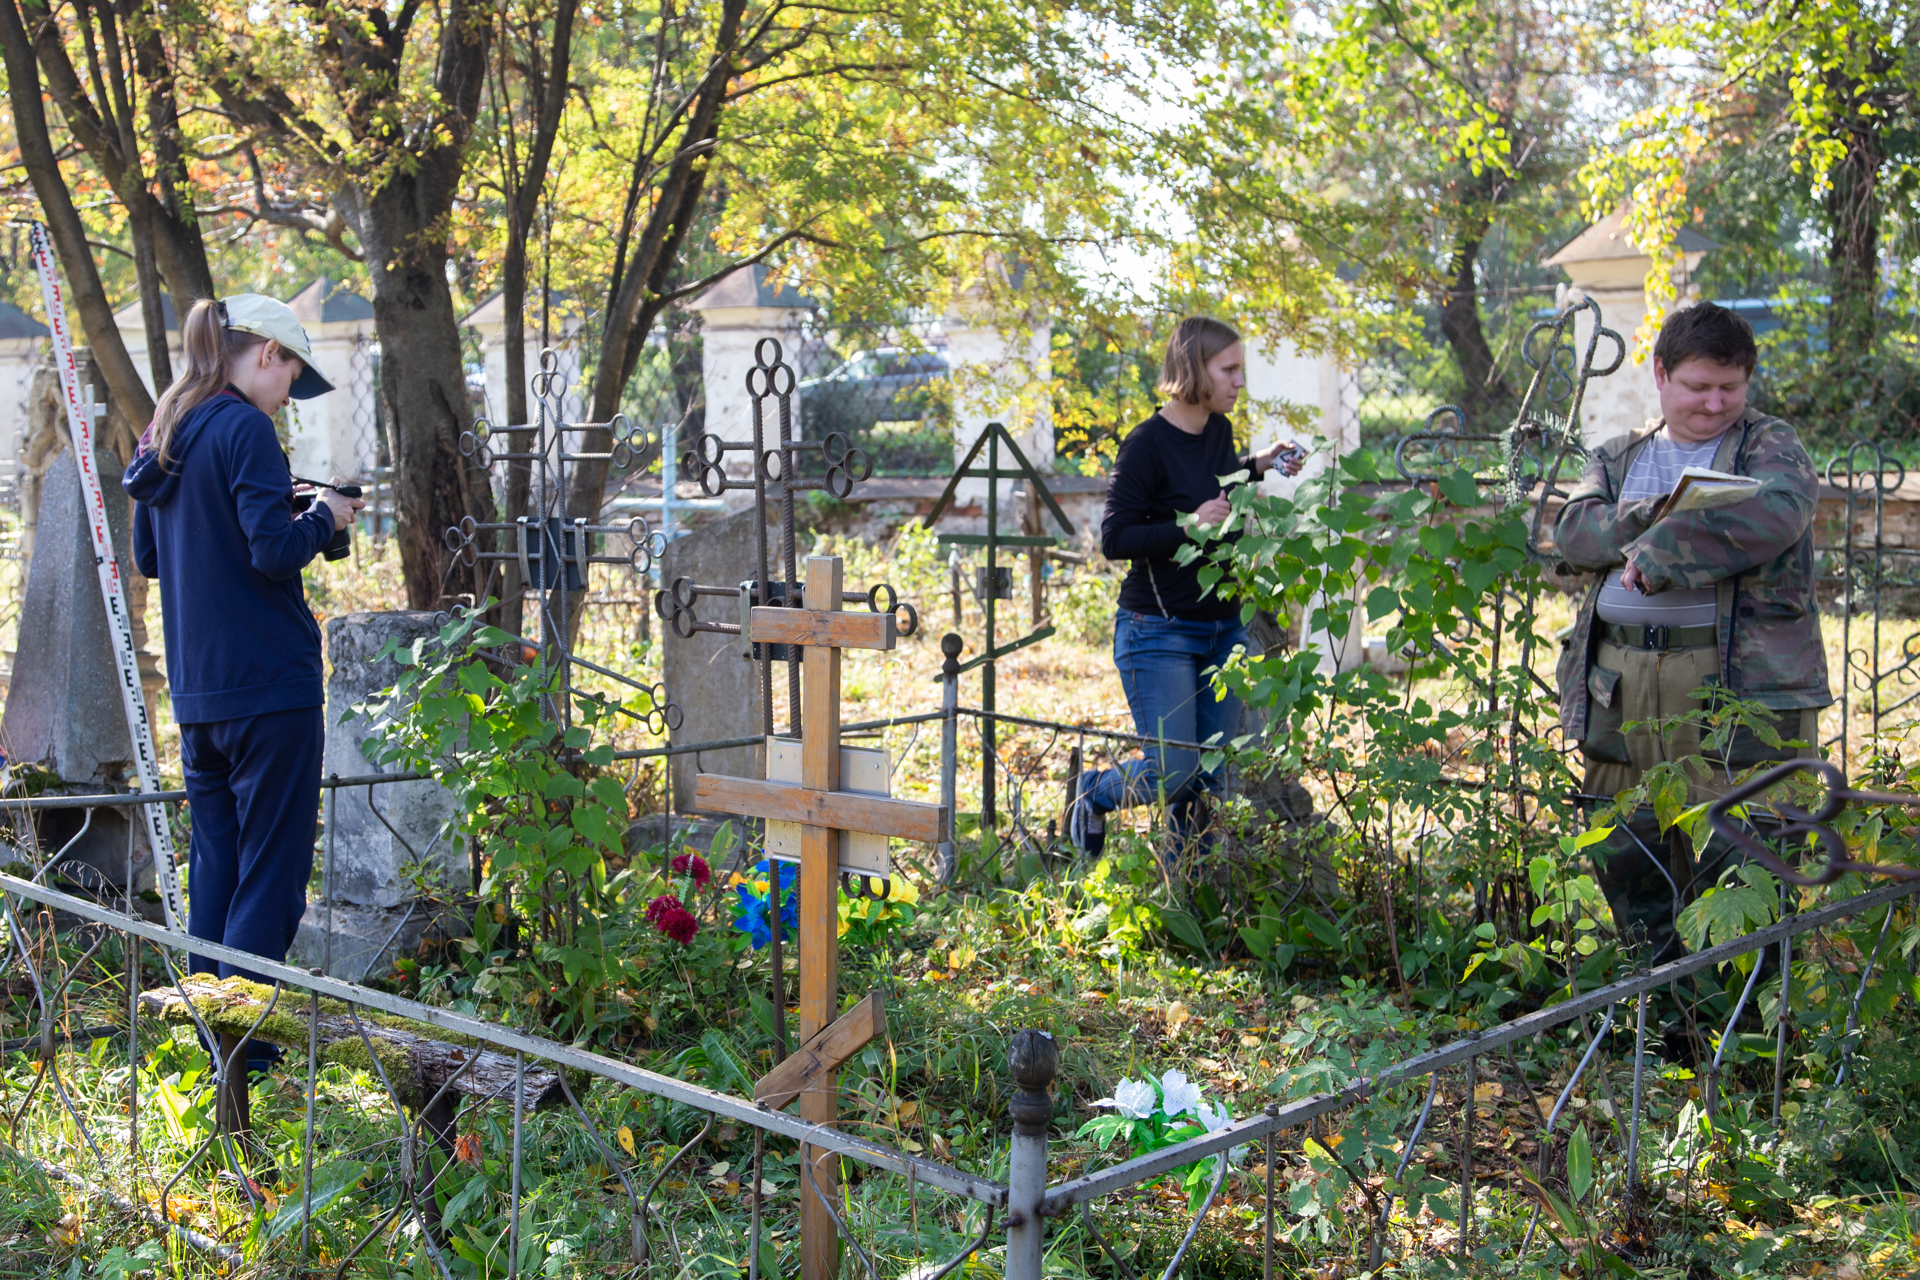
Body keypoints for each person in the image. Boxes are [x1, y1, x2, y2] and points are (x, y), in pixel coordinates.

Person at [1554, 301, 1829, 964]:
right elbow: (1574, 531)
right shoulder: (1619, 456)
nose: (1714, 404)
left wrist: (1662, 551)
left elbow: (1778, 512)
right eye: (1698, 386)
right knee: (1630, 854)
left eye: (1729, 388)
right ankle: (1666, 1028)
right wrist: (1661, 512)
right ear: (1661, 374)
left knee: (1746, 862)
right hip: (1619, 692)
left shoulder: (1770, 446)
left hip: (1733, 694)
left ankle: (1746, 1042)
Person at [123, 295, 364, 1003]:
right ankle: (246, 1057)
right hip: (269, 689)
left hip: (200, 695)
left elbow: (150, 553)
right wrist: (324, 514)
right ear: (266, 353)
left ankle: (207, 1048)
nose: (289, 396)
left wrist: (275, 508)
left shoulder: (168, 430)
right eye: (292, 375)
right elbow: (271, 553)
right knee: (272, 878)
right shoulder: (246, 429)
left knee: (219, 871)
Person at [1068, 316, 1305, 859]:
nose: (1238, 382)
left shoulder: (1218, 432)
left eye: (1239, 369)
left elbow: (1214, 483)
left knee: (1211, 775)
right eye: (1229, 369)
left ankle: (1185, 889)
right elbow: (1115, 537)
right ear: (1194, 369)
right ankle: (1092, 793)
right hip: (1159, 630)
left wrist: (1259, 464)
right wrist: (1189, 526)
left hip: (1225, 629)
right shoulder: (1146, 444)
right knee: (1174, 773)